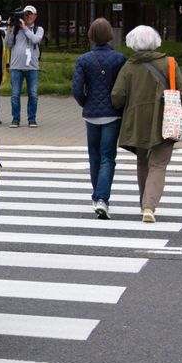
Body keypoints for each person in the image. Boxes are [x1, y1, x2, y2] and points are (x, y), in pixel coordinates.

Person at [111, 25, 182, 223]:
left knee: (142, 163)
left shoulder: (129, 66)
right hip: (167, 120)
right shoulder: (170, 63)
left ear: (133, 43)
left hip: (137, 122)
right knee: (159, 165)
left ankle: (143, 204)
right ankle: (150, 206)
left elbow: (117, 96)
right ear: (156, 42)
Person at [71, 18, 126, 219]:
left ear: (91, 35)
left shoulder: (84, 59)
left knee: (94, 157)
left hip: (91, 115)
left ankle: (97, 197)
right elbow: (123, 88)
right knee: (108, 158)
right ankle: (102, 199)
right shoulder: (120, 59)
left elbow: (77, 89)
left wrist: (85, 102)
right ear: (110, 34)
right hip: (112, 115)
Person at [7, 4, 44, 127]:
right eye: (26, 13)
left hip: (32, 67)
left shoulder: (38, 29)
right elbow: (7, 44)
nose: (28, 16)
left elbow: (35, 40)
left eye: (30, 14)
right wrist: (10, 28)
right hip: (16, 67)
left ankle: (32, 119)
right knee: (15, 94)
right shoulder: (16, 29)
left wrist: (24, 27)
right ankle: (15, 119)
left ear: (35, 16)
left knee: (33, 94)